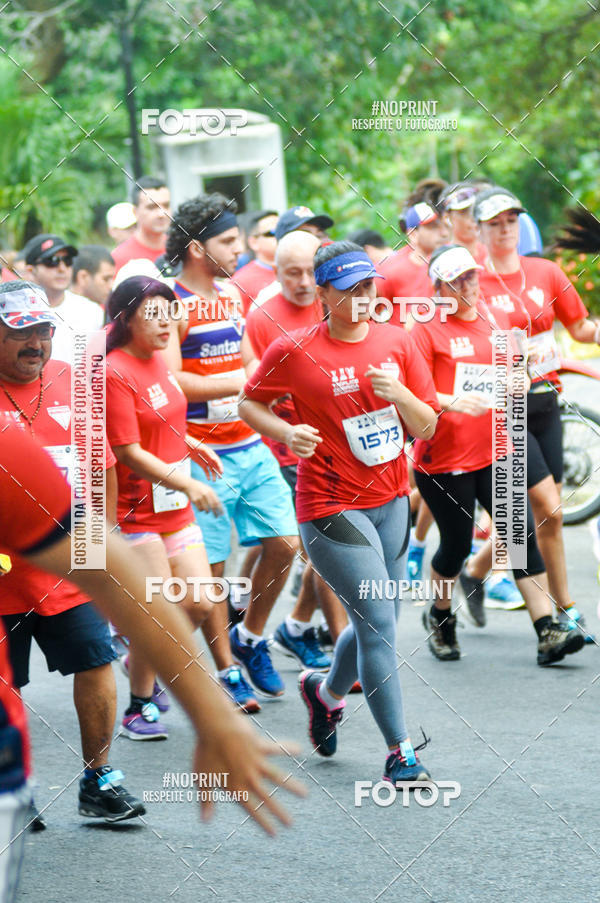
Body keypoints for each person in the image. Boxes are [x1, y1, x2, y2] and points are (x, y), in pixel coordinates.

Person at [0, 423, 305, 840]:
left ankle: (99, 774)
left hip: (67, 580)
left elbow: (115, 576)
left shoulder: (9, 446)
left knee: (99, 659)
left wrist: (214, 721)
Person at [239, 240, 440, 784]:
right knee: (378, 624)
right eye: (348, 289)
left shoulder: (398, 342)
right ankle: (400, 752)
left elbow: (427, 427)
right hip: (328, 505)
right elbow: (248, 401)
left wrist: (398, 393)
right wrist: (286, 432)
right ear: (323, 293)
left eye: (368, 287)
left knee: (378, 621)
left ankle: (323, 693)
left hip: (392, 501)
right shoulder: (294, 350)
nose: (361, 298)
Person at [0, 279, 145, 824]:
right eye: (20, 332)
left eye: (42, 330)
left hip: (70, 564)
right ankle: (11, 786)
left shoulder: (71, 382)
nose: (36, 342)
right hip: (5, 573)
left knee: (98, 661)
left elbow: (100, 466)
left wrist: (101, 543)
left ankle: (99, 779)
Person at [409, 244, 585, 666]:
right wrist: (452, 400)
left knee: (520, 533)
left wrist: (519, 382)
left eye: (471, 276)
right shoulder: (425, 330)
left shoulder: (497, 317)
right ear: (438, 288)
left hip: (496, 448)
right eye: (455, 281)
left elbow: (516, 368)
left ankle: (547, 630)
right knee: (455, 545)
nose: (468, 286)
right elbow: (414, 396)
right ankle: (439, 616)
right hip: (444, 461)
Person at [104, 276, 263, 733]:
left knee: (198, 601)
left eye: (170, 311)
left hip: (174, 509)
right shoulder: (116, 370)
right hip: (138, 513)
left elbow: (165, 418)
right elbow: (128, 449)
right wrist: (189, 483)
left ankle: (141, 657)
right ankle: (139, 706)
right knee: (156, 610)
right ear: (125, 317)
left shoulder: (159, 362)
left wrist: (191, 444)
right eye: (153, 313)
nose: (166, 322)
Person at [164, 193, 299, 700]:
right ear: (198, 247)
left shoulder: (230, 294)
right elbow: (173, 380)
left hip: (249, 443)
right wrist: (238, 383)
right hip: (201, 453)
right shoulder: (171, 300)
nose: (239, 248)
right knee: (212, 572)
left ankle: (251, 637)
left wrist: (268, 381)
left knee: (285, 543)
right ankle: (226, 670)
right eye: (228, 241)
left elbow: (250, 364)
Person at [467, 187, 600, 642]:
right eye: (495, 223)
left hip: (547, 402)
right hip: (503, 412)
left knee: (542, 515)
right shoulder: (471, 282)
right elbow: (460, 344)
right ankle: (566, 609)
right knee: (551, 511)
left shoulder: (544, 272)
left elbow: (580, 327)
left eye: (511, 221)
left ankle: (475, 569)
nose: (504, 230)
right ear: (480, 230)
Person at [243, 230, 348, 666]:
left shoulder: (339, 301)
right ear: (276, 271)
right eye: (292, 274)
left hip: (343, 443)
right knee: (325, 543)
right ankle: (343, 645)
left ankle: (297, 626)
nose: (303, 282)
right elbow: (253, 393)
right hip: (287, 448)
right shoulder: (263, 315)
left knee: (320, 546)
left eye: (310, 272)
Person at [23, 234, 103, 363]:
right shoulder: (16, 314)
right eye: (52, 261)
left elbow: (97, 369)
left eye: (67, 260)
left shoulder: (92, 311)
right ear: (31, 271)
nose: (62, 268)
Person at [377, 203, 448, 324]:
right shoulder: (392, 269)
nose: (442, 233)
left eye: (441, 225)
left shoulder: (452, 260)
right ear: (413, 235)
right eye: (432, 227)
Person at [111, 177, 171, 273]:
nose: (161, 214)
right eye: (151, 207)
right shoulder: (119, 258)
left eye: (166, 206)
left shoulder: (184, 251)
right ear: (135, 211)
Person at [231, 210, 278, 315]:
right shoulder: (239, 283)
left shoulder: (302, 272)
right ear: (254, 242)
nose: (280, 236)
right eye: (272, 233)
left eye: (284, 231)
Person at [437, 182, 487, 265]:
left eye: (475, 209)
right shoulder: (441, 262)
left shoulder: (495, 254)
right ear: (447, 218)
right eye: (464, 211)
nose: (473, 217)